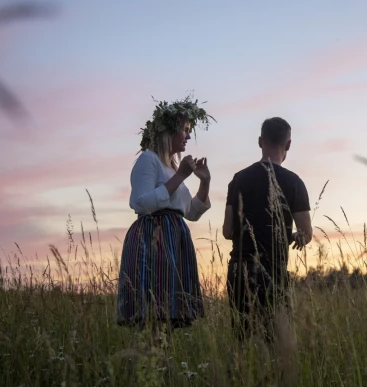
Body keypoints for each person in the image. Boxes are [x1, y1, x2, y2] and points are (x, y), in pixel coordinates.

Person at [117, 95, 214, 336]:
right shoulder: (148, 160)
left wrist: (205, 182)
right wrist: (180, 175)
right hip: (153, 240)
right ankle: (144, 367)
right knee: (151, 316)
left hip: (175, 240)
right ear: (169, 131)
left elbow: (190, 212)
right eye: (185, 129)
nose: (189, 136)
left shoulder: (170, 166)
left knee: (168, 318)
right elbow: (142, 203)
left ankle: (161, 369)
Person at [223, 117, 313, 342]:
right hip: (273, 272)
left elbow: (227, 231)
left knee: (242, 345)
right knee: (278, 345)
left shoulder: (239, 179)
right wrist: (291, 236)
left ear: (260, 141)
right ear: (288, 145)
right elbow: (306, 234)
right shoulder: (294, 182)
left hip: (239, 271)